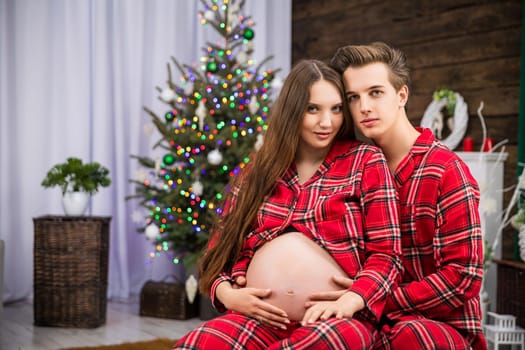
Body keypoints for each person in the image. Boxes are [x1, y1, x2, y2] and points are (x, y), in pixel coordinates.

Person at [174, 59, 403, 349]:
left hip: (337, 320)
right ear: (292, 112)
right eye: (313, 109)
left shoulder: (365, 161)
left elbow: (388, 254)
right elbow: (216, 253)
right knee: (196, 344)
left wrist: (352, 299)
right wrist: (229, 296)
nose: (327, 122)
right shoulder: (259, 170)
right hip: (258, 319)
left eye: (336, 109)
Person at [302, 42, 485, 349]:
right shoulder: (350, 166)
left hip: (436, 325)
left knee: (409, 336)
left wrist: (367, 298)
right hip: (361, 316)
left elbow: (462, 276)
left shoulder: (445, 171)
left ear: (401, 96)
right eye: (353, 98)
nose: (364, 107)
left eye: (376, 92)